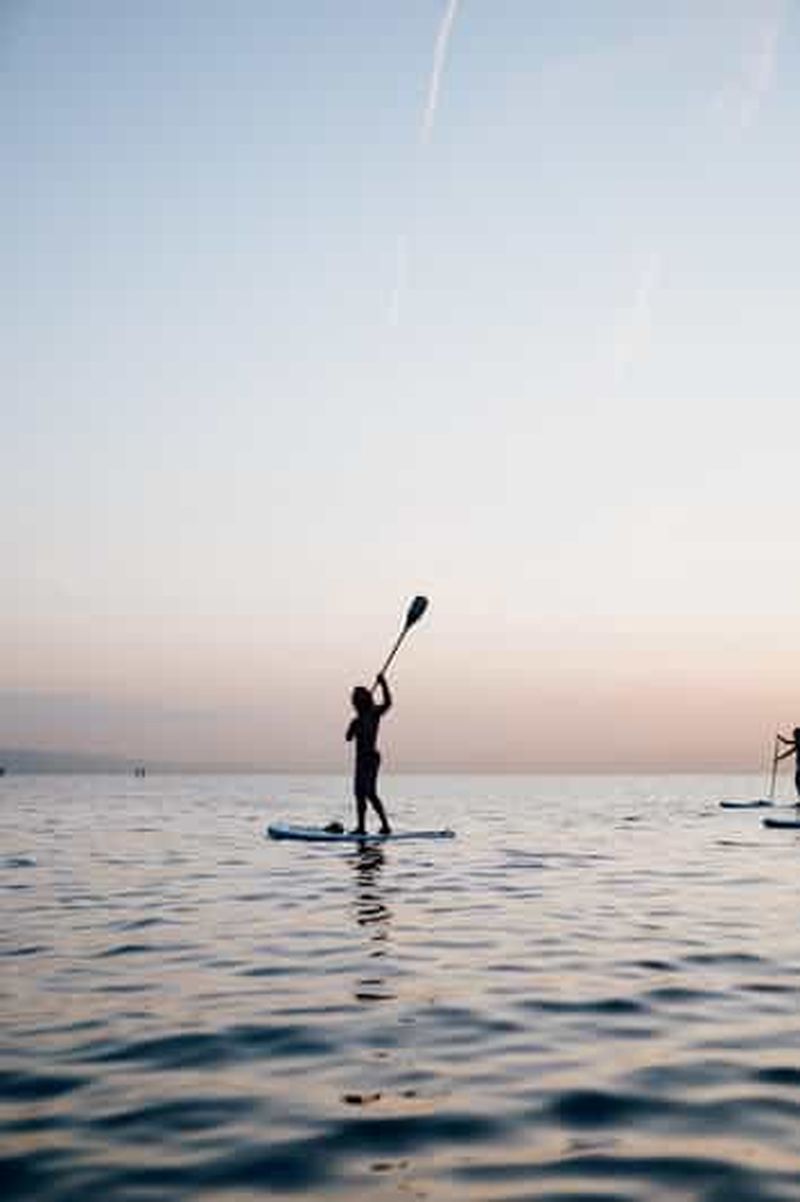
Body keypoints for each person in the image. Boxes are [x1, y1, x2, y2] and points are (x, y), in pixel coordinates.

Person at [346, 674, 392, 835]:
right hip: (360, 760)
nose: (355, 701)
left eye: (357, 698)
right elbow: (348, 738)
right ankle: (361, 827)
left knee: (369, 793)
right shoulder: (357, 720)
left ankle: (385, 825)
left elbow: (388, 703)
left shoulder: (373, 714)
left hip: (371, 758)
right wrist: (353, 726)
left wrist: (383, 684)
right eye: (354, 698)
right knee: (359, 794)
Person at [776, 728, 800, 804]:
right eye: (794, 735)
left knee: (798, 782)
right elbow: (789, 751)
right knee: (797, 782)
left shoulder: (798, 743)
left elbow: (787, 743)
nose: (794, 737)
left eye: (795, 735)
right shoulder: (797, 743)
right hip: (799, 769)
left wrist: (780, 738)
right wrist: (779, 758)